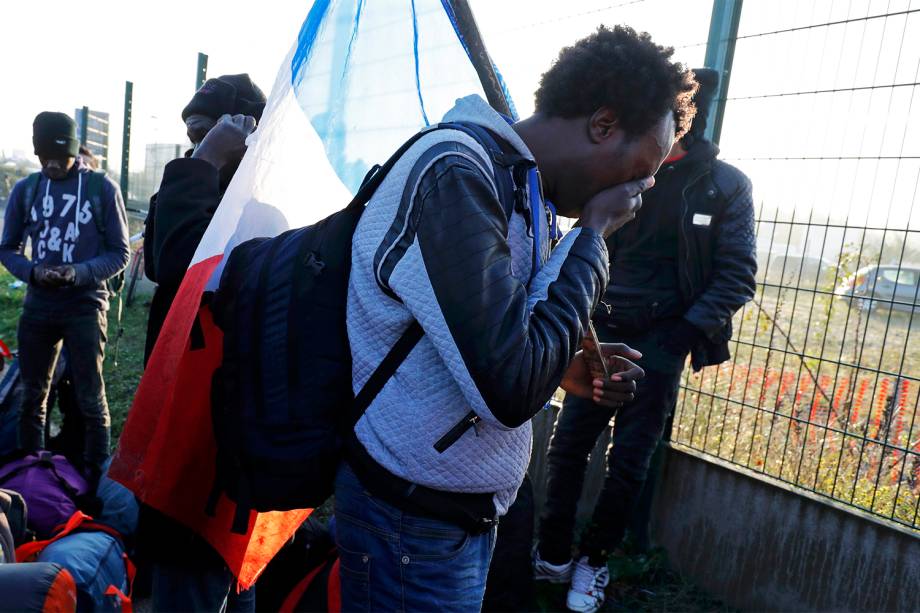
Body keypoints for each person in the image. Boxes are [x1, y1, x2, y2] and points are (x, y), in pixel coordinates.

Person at [336, 25, 697, 612]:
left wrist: (563, 369)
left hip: (456, 510)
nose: (642, 186)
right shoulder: (454, 172)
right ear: (603, 125)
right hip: (411, 522)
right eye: (643, 166)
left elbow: (480, 339)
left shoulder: (521, 187)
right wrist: (593, 236)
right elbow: (507, 386)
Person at [533, 67, 757, 613]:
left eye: (685, 105)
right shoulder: (619, 170)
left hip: (662, 338)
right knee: (566, 449)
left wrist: (679, 336)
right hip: (597, 325)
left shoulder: (723, 184)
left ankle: (595, 562)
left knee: (630, 459)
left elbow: (737, 274)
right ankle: (553, 554)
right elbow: (575, 238)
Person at [138, 73, 265, 613]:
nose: (196, 146)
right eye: (190, 137)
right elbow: (160, 255)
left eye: (207, 134)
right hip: (192, 423)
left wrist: (205, 165)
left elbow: (180, 265)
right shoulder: (205, 197)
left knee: (200, 566)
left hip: (212, 437)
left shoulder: (257, 212)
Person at [0, 112, 129, 487]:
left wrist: (78, 273)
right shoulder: (27, 189)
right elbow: (7, 248)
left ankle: (96, 478)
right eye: (45, 157)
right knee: (32, 396)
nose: (52, 164)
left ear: (74, 151)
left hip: (85, 305)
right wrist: (33, 273)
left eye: (61, 156)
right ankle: (30, 477)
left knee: (91, 397)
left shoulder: (101, 188)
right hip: (38, 305)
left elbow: (119, 253)